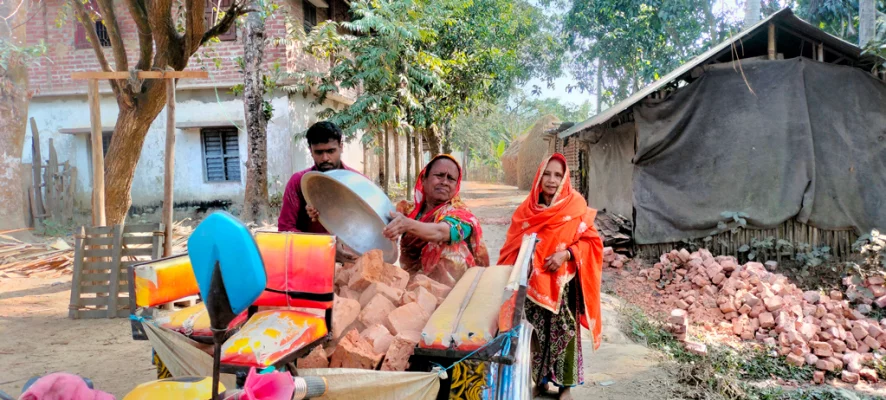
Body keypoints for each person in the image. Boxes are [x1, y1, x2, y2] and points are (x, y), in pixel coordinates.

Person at [497, 153, 603, 400]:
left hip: (563, 284)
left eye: (558, 175)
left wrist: (566, 255)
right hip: (532, 284)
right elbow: (512, 245)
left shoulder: (575, 205)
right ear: (539, 176)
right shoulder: (527, 210)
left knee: (565, 332)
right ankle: (541, 381)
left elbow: (591, 243)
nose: (552, 180)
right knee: (536, 333)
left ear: (565, 178)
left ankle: (565, 387)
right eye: (547, 173)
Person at [382, 154, 490, 285]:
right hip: (411, 280)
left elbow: (441, 233)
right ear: (424, 179)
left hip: (452, 288)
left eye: (451, 179)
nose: (444, 182)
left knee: (450, 248)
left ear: (456, 186)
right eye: (439, 175)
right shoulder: (407, 211)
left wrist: (407, 225)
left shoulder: (462, 214)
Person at [278, 121, 359, 262]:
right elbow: (285, 230)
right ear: (310, 150)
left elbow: (367, 229)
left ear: (341, 147)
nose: (325, 158)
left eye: (330, 151)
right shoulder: (298, 182)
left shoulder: (358, 182)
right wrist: (327, 247)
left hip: (350, 263)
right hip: (310, 261)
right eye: (319, 152)